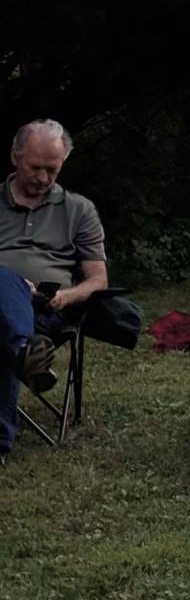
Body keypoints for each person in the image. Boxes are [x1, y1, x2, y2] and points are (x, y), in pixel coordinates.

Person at [0, 119, 108, 466]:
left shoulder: (79, 209)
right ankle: (23, 352)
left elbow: (97, 281)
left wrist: (65, 297)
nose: (44, 179)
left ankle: (21, 349)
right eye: (36, 167)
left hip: (46, 310)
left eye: (53, 169)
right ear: (15, 156)